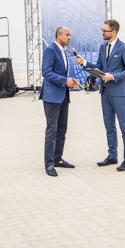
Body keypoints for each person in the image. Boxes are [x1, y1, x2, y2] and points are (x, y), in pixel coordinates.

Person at [77, 19, 125, 171]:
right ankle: (112, 156)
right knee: (109, 125)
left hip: (118, 92)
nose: (102, 33)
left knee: (124, 126)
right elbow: (99, 67)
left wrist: (113, 76)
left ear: (113, 32)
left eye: (104, 31)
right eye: (102, 30)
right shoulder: (103, 47)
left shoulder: (124, 48)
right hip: (105, 92)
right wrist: (84, 63)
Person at [40, 26, 80, 176]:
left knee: (62, 130)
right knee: (52, 130)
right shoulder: (50, 50)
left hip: (63, 95)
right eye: (67, 35)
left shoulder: (64, 51)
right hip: (51, 97)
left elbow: (61, 73)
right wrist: (65, 81)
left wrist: (70, 81)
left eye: (70, 35)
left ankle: (58, 158)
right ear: (58, 35)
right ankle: (49, 164)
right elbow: (46, 72)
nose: (69, 37)